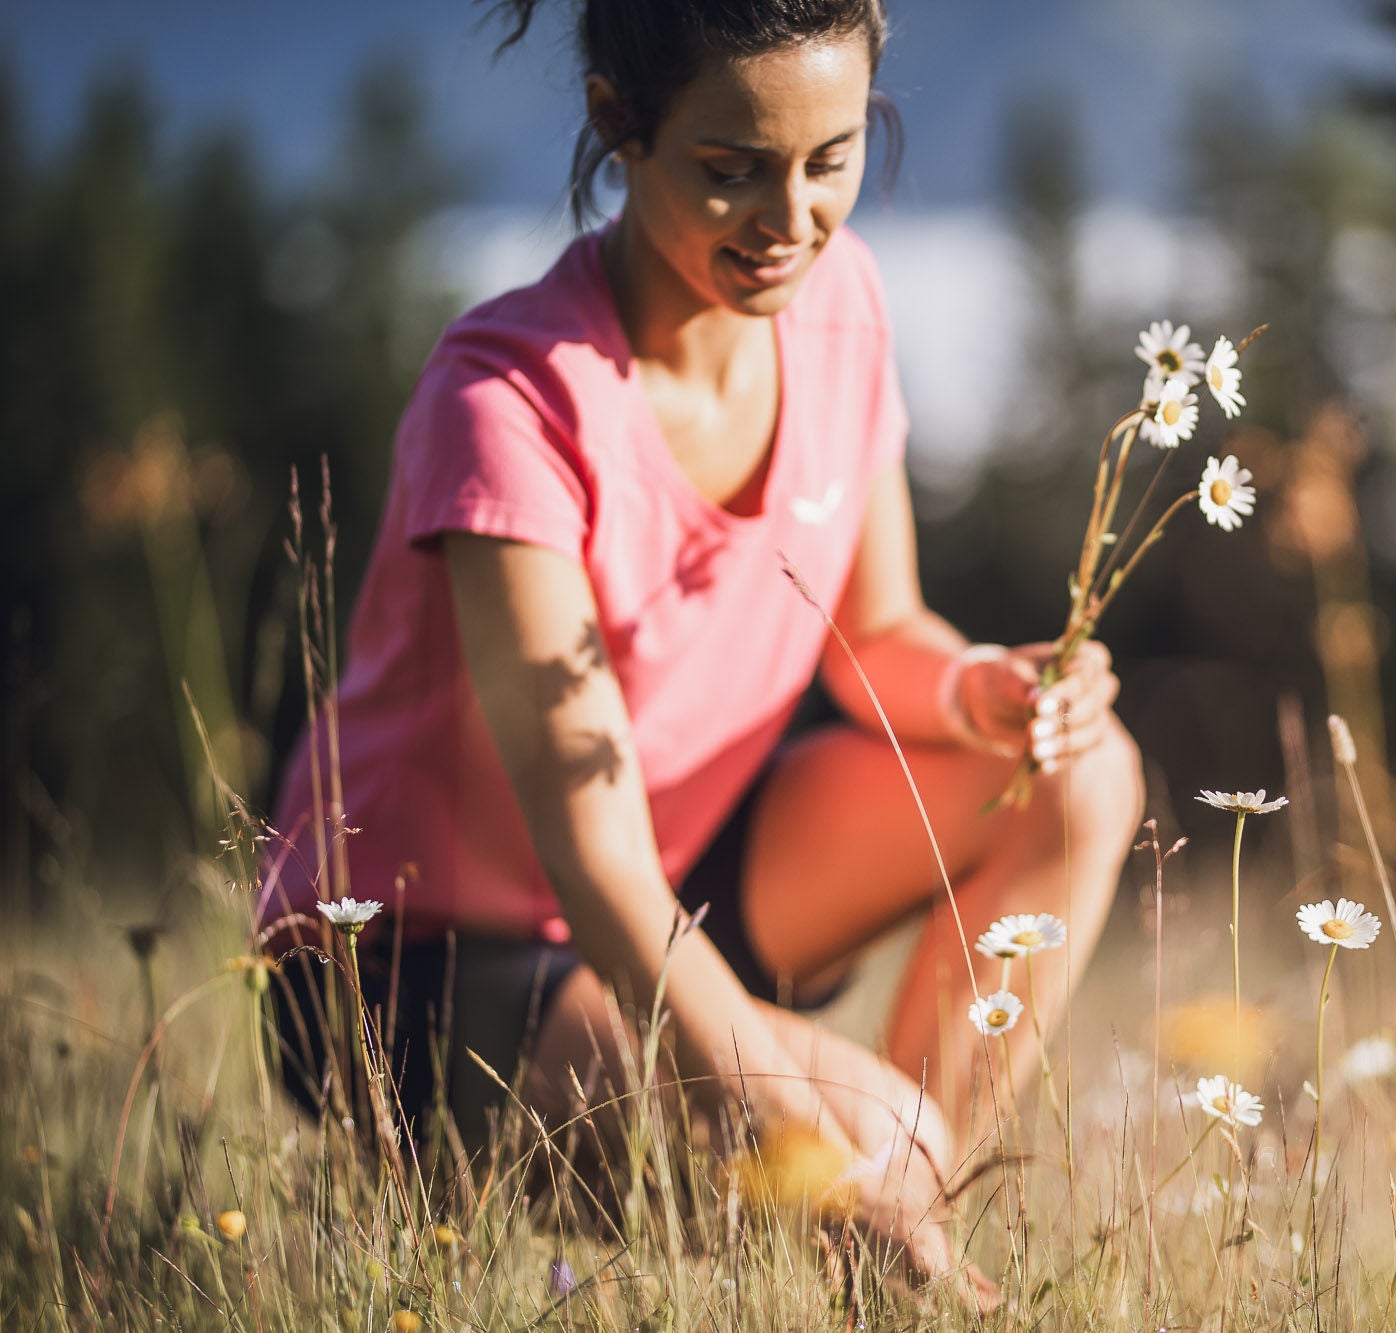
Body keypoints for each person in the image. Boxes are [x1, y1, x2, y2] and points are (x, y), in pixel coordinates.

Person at [260, 0, 1143, 1298]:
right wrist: (787, 1122)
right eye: (730, 171)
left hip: (686, 872)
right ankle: (872, 1225)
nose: (789, 220)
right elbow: (596, 858)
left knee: (1090, 774)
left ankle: (904, 1240)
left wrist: (981, 692)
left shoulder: (841, 307)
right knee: (862, 1135)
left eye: (830, 159)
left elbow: (879, 637)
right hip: (410, 951)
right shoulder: (506, 403)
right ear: (620, 121)